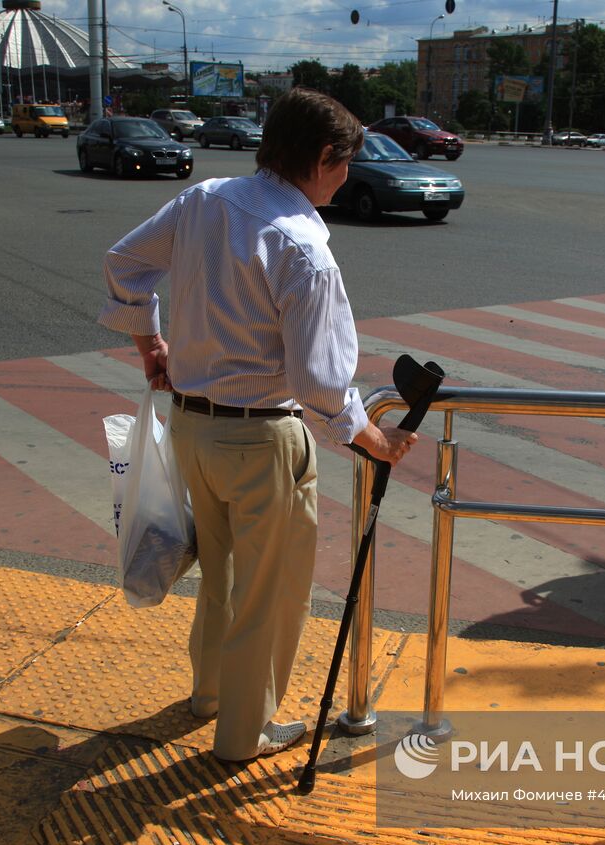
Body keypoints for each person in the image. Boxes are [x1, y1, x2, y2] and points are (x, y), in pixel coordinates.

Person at [97, 88, 419, 761]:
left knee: (220, 574)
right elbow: (320, 384)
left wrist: (149, 344)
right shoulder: (304, 248)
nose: (345, 177)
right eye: (344, 164)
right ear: (324, 157)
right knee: (269, 596)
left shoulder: (205, 200)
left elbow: (125, 264)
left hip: (191, 427)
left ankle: (210, 693)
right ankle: (244, 733)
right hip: (262, 439)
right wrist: (377, 441)